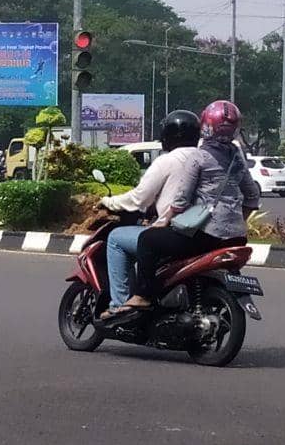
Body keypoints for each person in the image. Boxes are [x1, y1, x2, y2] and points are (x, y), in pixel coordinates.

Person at [119, 100, 260, 314]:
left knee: (147, 240)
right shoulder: (237, 157)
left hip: (206, 235)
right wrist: (235, 220)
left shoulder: (198, 156)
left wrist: (161, 223)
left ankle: (143, 296)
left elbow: (181, 200)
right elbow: (252, 196)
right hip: (237, 237)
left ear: (206, 126)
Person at [97, 110, 202, 320]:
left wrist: (108, 201)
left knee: (116, 239)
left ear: (168, 135)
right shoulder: (205, 157)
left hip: (177, 230)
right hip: (204, 227)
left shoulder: (168, 160)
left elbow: (139, 198)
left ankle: (119, 305)